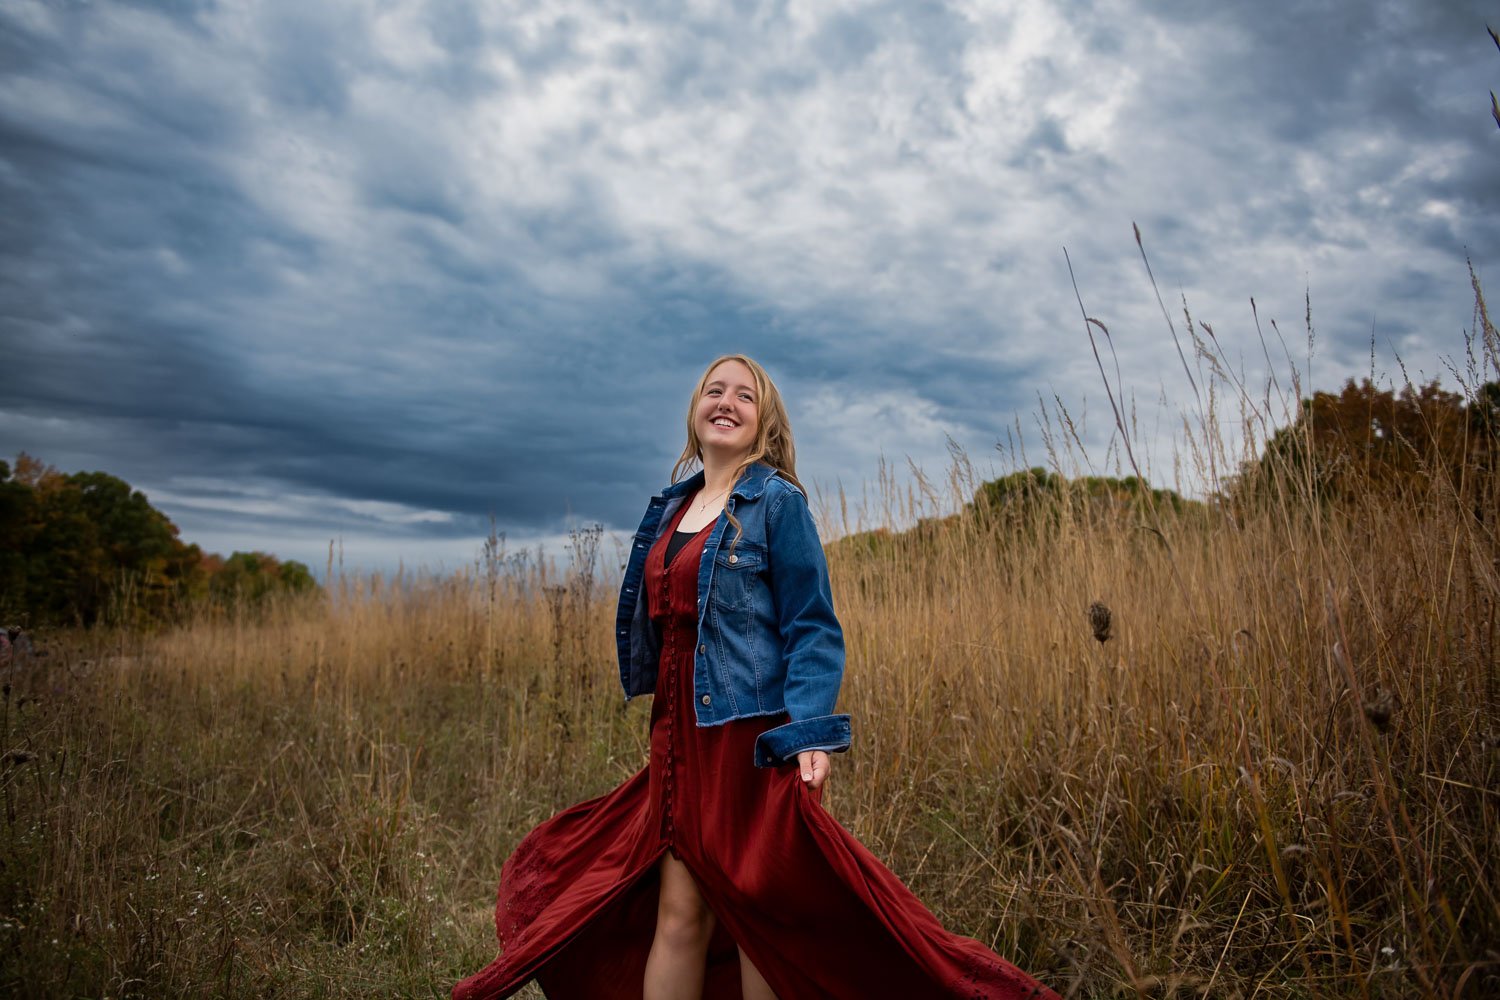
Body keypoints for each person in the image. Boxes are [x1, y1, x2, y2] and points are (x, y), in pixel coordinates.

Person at [453, 355, 1057, 1000]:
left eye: (746, 396)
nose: (727, 402)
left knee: (759, 921)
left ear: (764, 422)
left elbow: (812, 625)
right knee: (680, 914)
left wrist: (810, 732)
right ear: (694, 412)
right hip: (682, 742)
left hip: (754, 742)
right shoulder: (672, 510)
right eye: (715, 391)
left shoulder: (776, 502)